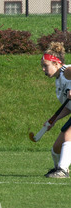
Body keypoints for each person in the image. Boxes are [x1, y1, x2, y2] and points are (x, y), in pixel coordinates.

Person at [41, 42, 71, 178]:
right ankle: (58, 168)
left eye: (45, 66)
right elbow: (68, 107)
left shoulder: (67, 72)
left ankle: (62, 170)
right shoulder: (59, 81)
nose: (43, 69)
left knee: (67, 137)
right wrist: (53, 119)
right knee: (55, 149)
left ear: (56, 63)